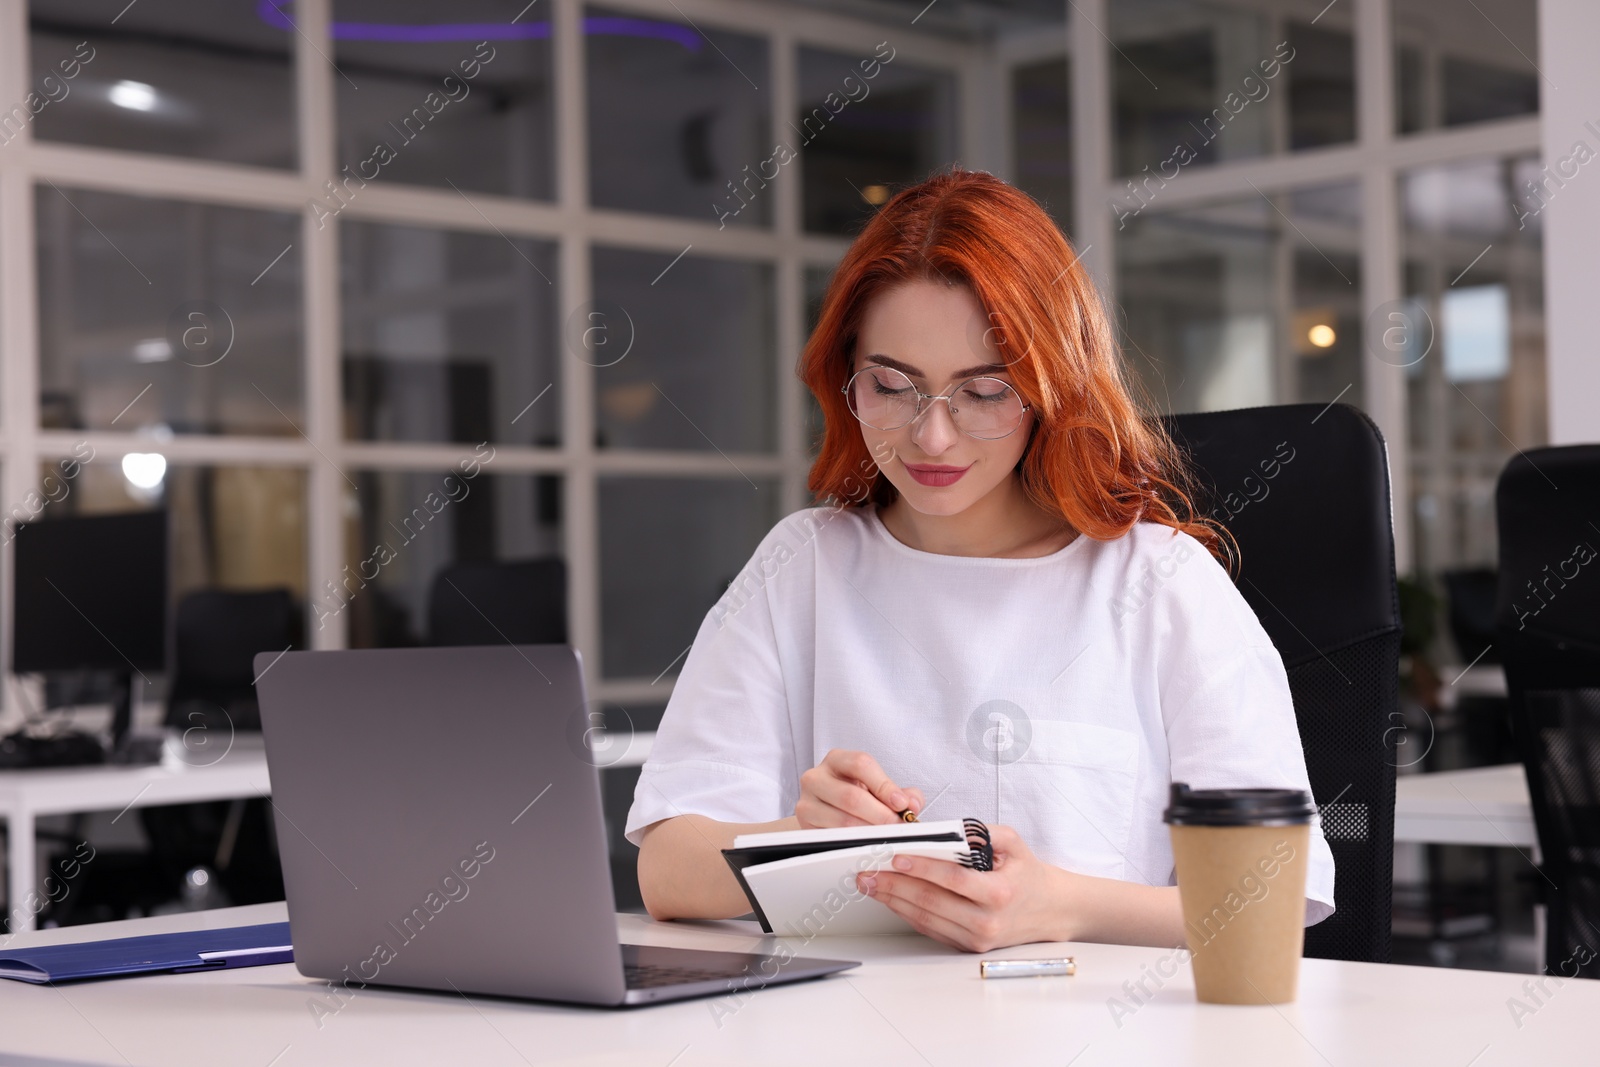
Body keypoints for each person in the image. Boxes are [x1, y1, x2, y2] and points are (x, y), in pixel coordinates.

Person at [624, 166, 1334, 952]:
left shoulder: (1159, 583)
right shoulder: (805, 566)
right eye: (892, 385)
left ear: (1052, 389)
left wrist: (1063, 906)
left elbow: (1273, 903)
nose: (932, 437)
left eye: (985, 393)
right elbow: (666, 870)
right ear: (846, 378)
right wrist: (800, 837)